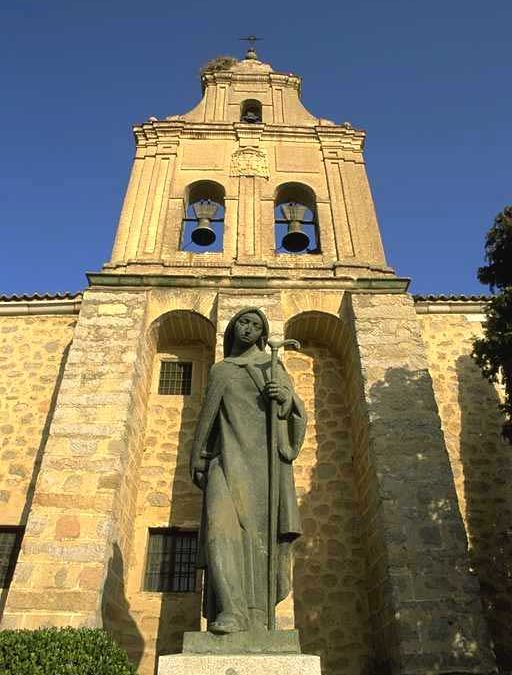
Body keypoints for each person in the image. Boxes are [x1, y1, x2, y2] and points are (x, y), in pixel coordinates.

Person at [190, 308, 307, 634]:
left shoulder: (272, 367)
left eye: (256, 325)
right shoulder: (222, 371)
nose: (249, 329)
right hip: (224, 461)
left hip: (264, 470)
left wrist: (283, 398)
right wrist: (197, 457)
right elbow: (207, 417)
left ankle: (254, 616)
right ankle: (230, 609)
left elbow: (295, 412)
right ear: (233, 328)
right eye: (243, 322)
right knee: (219, 530)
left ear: (262, 333)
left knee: (260, 541)